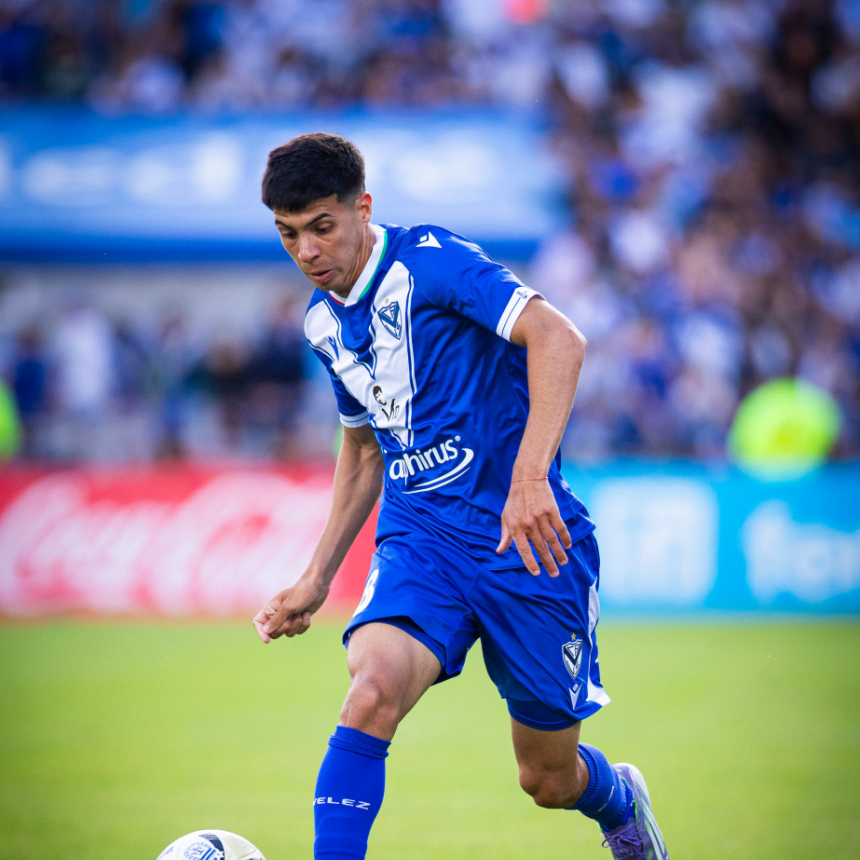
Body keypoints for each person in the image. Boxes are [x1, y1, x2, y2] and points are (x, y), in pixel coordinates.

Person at [253, 132, 669, 860]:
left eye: (322, 226)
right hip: (423, 541)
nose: (308, 251)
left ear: (362, 208)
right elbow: (363, 447)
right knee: (371, 692)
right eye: (289, 234)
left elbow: (559, 339)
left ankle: (618, 798)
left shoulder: (432, 261)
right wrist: (315, 578)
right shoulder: (323, 322)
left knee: (547, 778)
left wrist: (530, 478)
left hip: (527, 543)